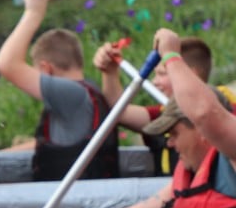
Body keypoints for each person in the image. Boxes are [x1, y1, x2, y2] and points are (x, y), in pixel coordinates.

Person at [16, 28, 236, 208]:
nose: (169, 143)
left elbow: (205, 112)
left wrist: (171, 54)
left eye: (174, 134)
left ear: (202, 133)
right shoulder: (188, 183)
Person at [0, 0, 119, 182]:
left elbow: (6, 64)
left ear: (46, 69)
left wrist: (33, 13)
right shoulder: (84, 93)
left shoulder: (70, 94)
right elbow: (53, 144)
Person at [92, 36, 227, 175]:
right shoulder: (162, 114)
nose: (154, 82)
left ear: (189, 74)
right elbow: (120, 112)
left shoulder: (227, 117)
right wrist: (110, 72)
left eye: (162, 74)